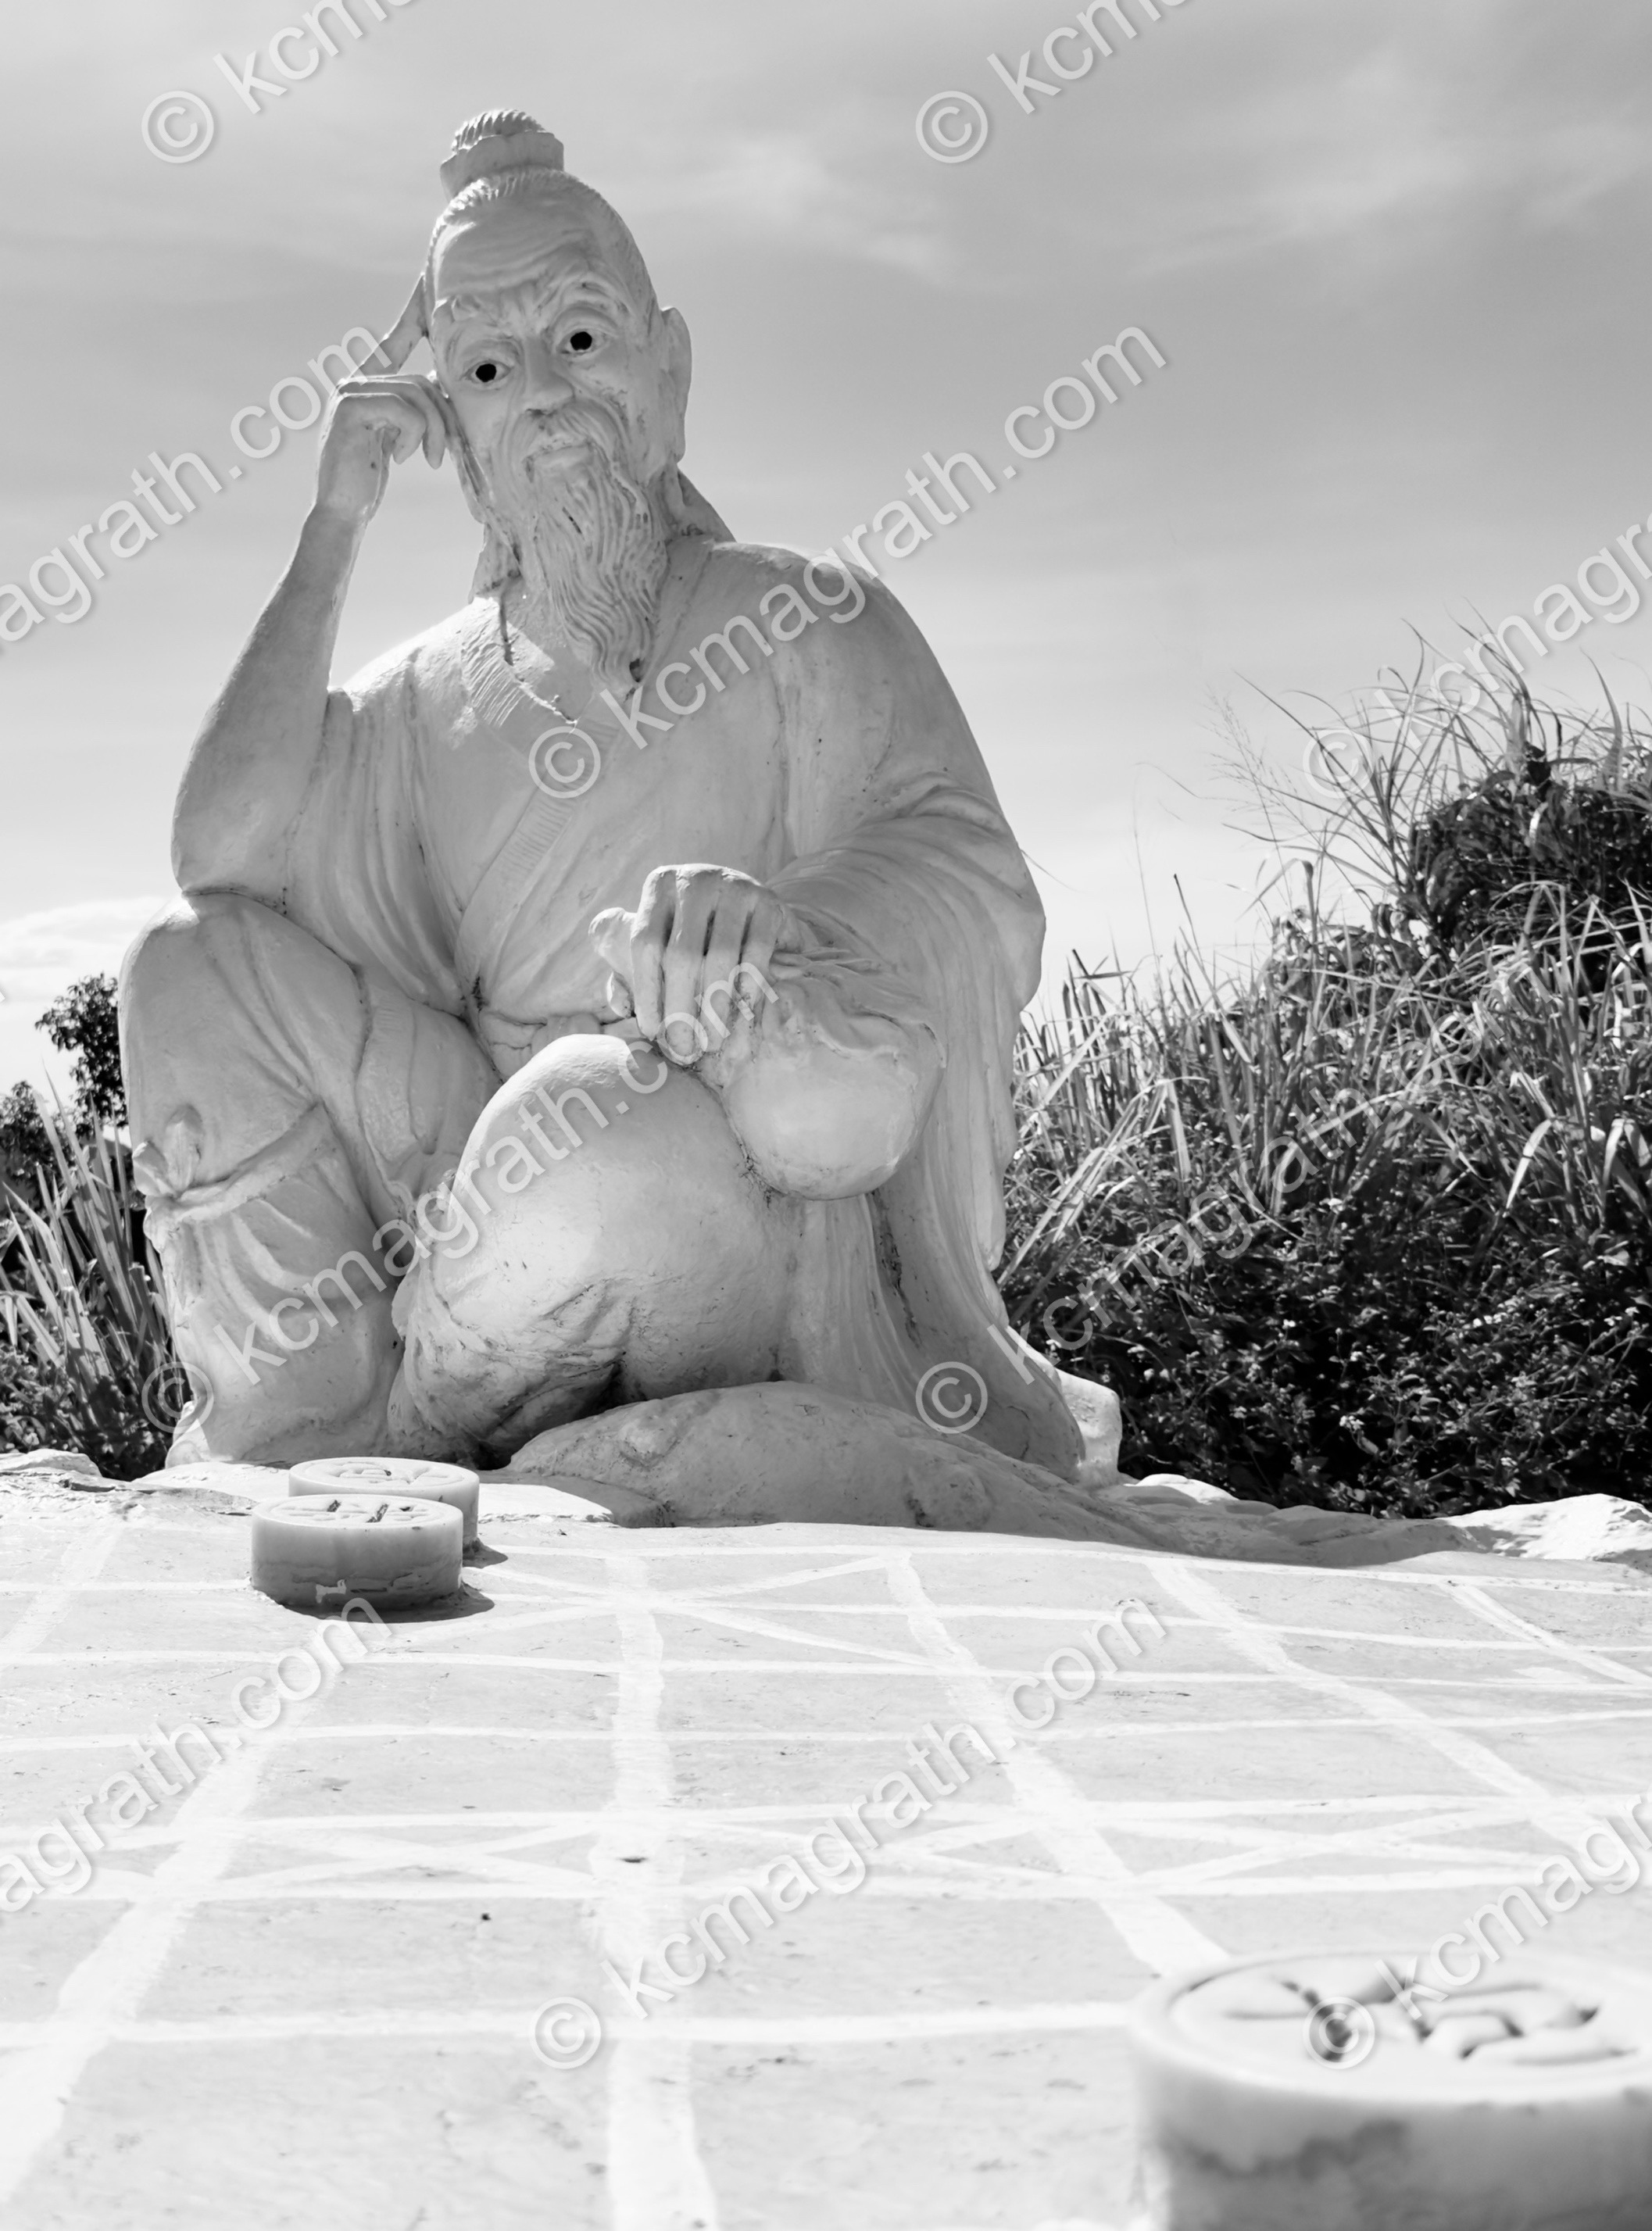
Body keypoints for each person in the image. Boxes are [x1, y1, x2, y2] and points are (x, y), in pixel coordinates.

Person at [120, 109, 1084, 1480]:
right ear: (450, 425)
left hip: (698, 1148)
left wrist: (774, 928)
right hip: (468, 1167)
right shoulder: (419, 695)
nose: (550, 397)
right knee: (181, 963)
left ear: (668, 368)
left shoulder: (805, 617)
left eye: (581, 339)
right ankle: (295, 1429)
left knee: (603, 1118)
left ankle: (415, 1430)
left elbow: (969, 879)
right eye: (493, 367)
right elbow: (219, 856)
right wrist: (331, 530)